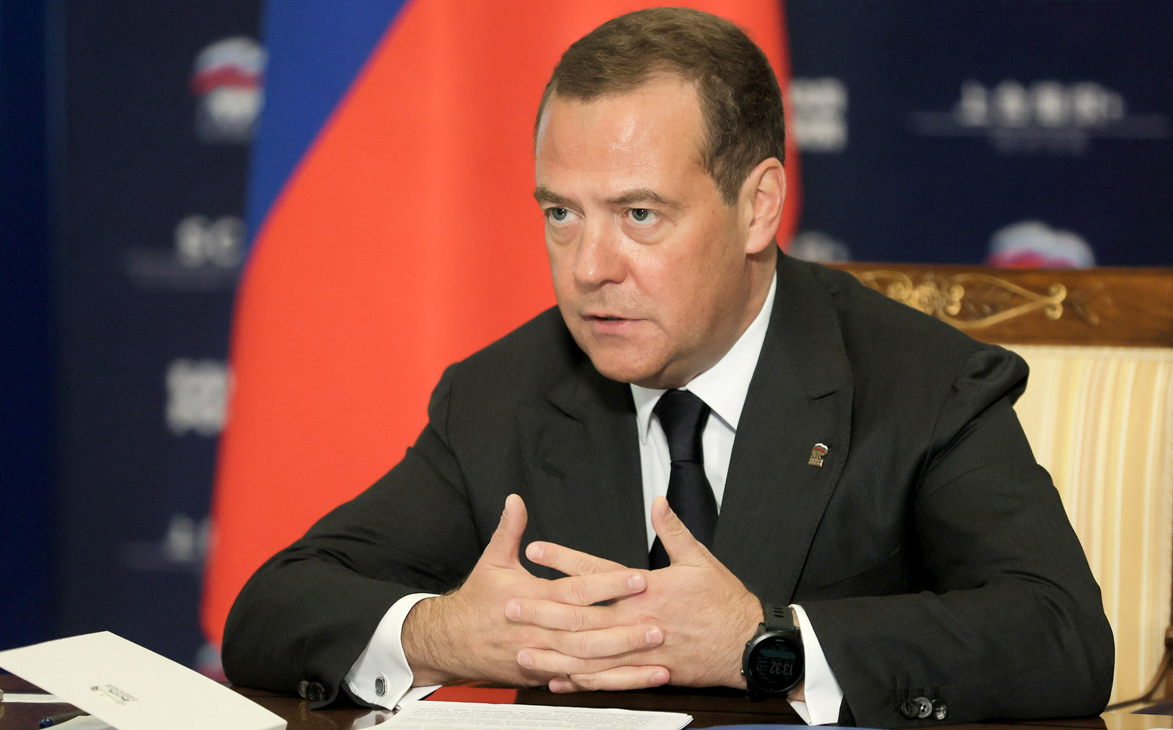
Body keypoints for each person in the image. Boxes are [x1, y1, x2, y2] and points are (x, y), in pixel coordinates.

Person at [221, 8, 1113, 727]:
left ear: (757, 207)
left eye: (639, 215)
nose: (589, 267)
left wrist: (768, 645)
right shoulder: (503, 393)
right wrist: (441, 634)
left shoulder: (922, 384)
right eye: (561, 214)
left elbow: (1060, 634)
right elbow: (273, 609)